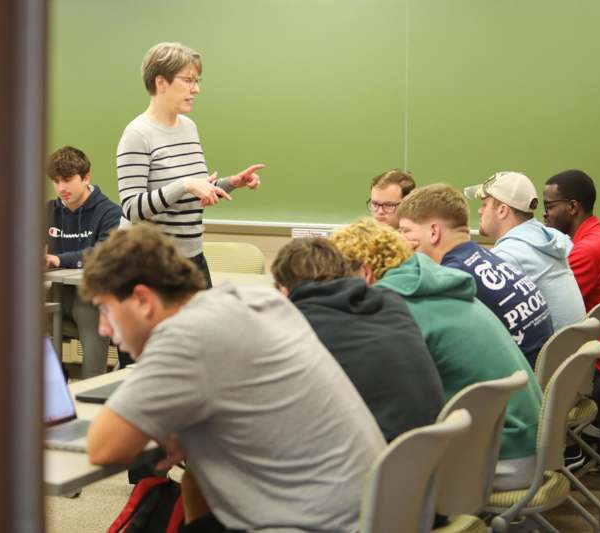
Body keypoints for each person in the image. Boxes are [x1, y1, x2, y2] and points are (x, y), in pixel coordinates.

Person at [81, 224, 385, 533]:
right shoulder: (255, 301)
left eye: (105, 310)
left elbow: (103, 447)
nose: (103, 328)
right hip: (367, 511)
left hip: (313, 524)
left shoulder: (187, 336)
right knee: (196, 482)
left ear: (143, 300)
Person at [330, 218, 542, 490]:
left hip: (501, 459)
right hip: (526, 443)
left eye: (340, 282)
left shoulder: (397, 309)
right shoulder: (434, 284)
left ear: (365, 273)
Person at [116, 42, 264, 287]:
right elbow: (132, 208)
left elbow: (192, 192)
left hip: (192, 257)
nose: (196, 89)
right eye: (188, 80)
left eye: (197, 81)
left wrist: (229, 183)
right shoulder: (138, 134)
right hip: (151, 265)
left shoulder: (188, 127)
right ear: (161, 82)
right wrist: (184, 184)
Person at [271, 237, 444, 441]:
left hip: (376, 461)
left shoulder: (301, 327)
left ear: (284, 290)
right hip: (427, 454)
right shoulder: (390, 303)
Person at [397, 183, 553, 367]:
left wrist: (398, 260)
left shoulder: (452, 278)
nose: (400, 239)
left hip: (513, 384)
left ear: (433, 232)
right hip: (536, 377)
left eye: (405, 231)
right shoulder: (484, 256)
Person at [465, 171, 586, 331]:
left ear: (502, 210)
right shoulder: (546, 238)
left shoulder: (508, 256)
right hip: (568, 351)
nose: (480, 211)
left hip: (547, 354)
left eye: (484, 205)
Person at [543, 169, 600, 371]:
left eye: (549, 206)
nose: (545, 214)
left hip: (599, 355)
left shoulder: (586, 251)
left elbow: (552, 311)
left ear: (573, 206)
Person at [45, 146, 121, 378]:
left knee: (90, 312)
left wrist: (58, 259)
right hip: (57, 293)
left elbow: (101, 255)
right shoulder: (49, 210)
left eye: (67, 180)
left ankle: (92, 385)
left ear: (86, 177)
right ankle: (48, 390)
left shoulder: (110, 213)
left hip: (93, 297)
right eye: (56, 182)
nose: (61, 189)